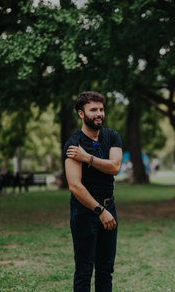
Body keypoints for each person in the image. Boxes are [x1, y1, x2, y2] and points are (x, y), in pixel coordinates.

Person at [64, 91, 123, 292]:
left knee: (106, 270)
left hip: (110, 208)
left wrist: (87, 158)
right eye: (93, 110)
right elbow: (75, 186)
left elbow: (115, 167)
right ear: (81, 113)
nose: (99, 113)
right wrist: (100, 211)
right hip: (84, 214)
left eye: (101, 109)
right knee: (84, 270)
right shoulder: (73, 145)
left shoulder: (111, 136)